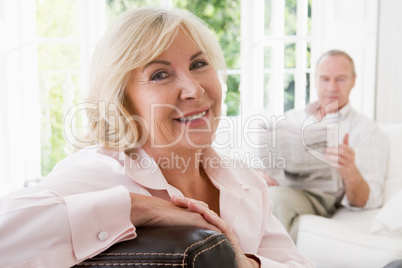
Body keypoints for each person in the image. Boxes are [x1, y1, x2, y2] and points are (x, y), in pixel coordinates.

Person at [0, 7, 313, 268]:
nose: (193, 89)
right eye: (160, 74)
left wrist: (245, 264)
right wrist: (142, 208)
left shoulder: (247, 181)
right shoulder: (97, 173)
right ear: (122, 101)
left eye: (199, 64)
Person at [257, 50, 389, 242]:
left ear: (354, 81)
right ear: (315, 80)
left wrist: (351, 173)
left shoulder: (366, 129)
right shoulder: (292, 117)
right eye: (325, 79)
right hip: (282, 184)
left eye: (341, 79)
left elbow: (370, 199)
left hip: (320, 196)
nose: (332, 87)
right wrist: (262, 175)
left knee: (275, 199)